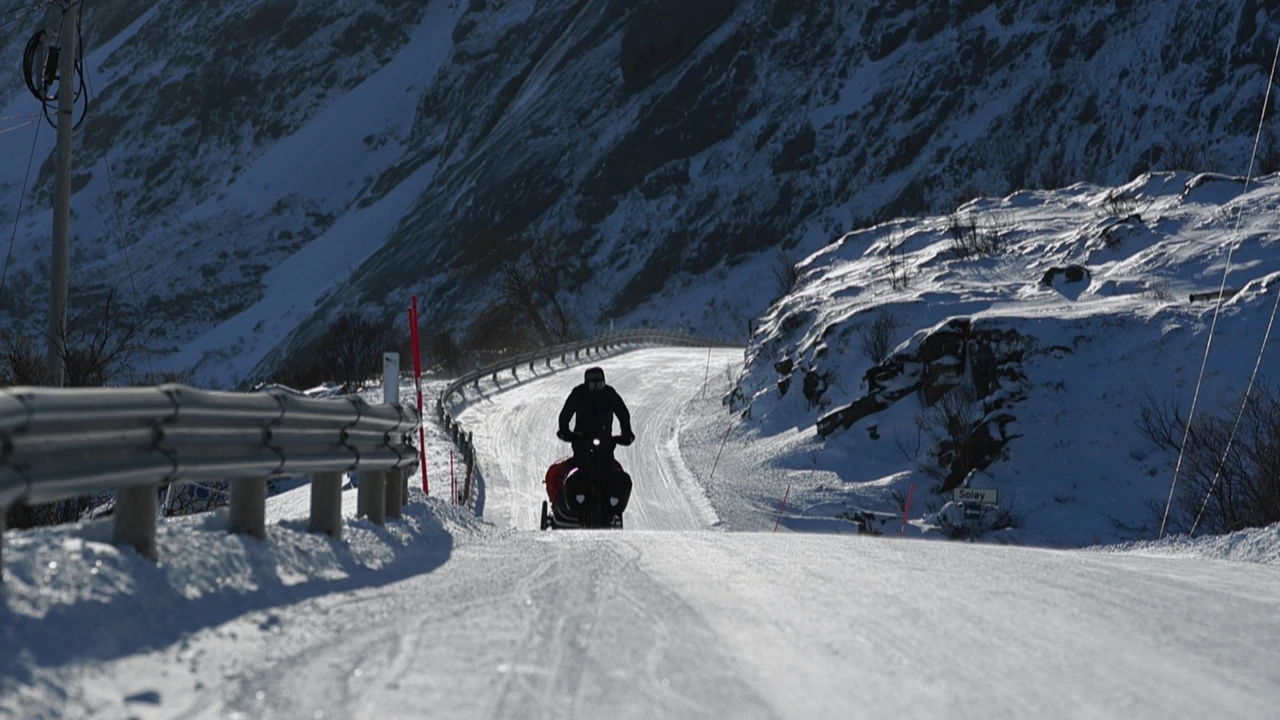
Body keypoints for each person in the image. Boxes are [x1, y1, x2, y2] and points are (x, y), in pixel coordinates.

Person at [554, 366, 634, 522]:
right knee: (578, 468)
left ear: (604, 383)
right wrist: (565, 431)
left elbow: (623, 413)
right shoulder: (578, 394)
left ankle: (610, 506)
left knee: (610, 471)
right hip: (582, 441)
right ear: (586, 384)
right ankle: (574, 501)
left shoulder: (610, 394)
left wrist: (626, 432)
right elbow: (566, 414)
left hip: (605, 442)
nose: (596, 388)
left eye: (599, 385)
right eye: (592, 385)